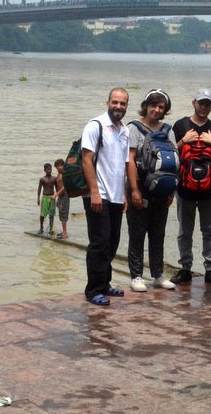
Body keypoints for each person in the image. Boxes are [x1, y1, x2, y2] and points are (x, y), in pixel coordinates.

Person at [81, 88, 132, 306]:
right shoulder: (95, 126)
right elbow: (86, 160)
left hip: (116, 196)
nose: (118, 106)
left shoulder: (125, 131)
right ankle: (93, 290)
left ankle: (104, 283)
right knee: (99, 243)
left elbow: (123, 165)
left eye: (122, 103)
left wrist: (125, 193)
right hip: (98, 195)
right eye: (115, 102)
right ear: (107, 102)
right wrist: (94, 192)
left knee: (112, 243)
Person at [125, 89, 178, 293]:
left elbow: (174, 161)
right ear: (146, 106)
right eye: (153, 105)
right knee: (137, 233)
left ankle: (157, 274)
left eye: (161, 107)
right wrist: (134, 190)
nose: (156, 110)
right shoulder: (134, 128)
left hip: (162, 189)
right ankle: (136, 275)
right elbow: (129, 160)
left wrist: (172, 190)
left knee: (158, 233)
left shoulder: (168, 130)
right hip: (140, 188)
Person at [171, 89, 211, 286]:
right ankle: (185, 267)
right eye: (201, 103)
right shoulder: (180, 125)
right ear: (193, 102)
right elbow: (170, 154)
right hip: (184, 188)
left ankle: (209, 269)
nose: (204, 107)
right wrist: (183, 140)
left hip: (210, 189)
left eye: (207, 104)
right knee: (185, 230)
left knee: (209, 230)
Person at [37, 163, 57, 236]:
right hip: (45, 197)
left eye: (50, 169)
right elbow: (39, 189)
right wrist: (38, 199)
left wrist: (56, 196)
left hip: (52, 197)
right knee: (43, 213)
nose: (49, 171)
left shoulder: (54, 178)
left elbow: (57, 189)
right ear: (44, 170)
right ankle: (41, 227)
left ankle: (51, 228)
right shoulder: (42, 179)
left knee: (51, 214)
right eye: (48, 169)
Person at [52, 159, 69, 239]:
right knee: (61, 212)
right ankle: (63, 231)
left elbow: (65, 186)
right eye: (57, 166)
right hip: (60, 196)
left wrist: (56, 195)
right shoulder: (58, 175)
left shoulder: (64, 175)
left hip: (65, 196)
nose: (59, 167)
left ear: (64, 166)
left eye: (61, 165)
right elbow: (57, 186)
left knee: (63, 213)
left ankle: (65, 233)